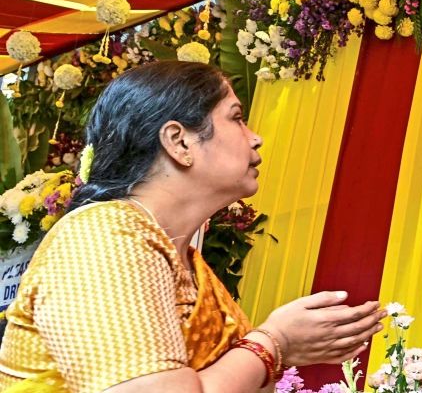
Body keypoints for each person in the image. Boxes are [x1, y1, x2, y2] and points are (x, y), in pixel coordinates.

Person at [0, 61, 383, 392]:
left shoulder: (191, 265)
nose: (256, 138)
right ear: (179, 142)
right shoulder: (103, 234)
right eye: (236, 117)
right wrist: (274, 342)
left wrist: (280, 348)